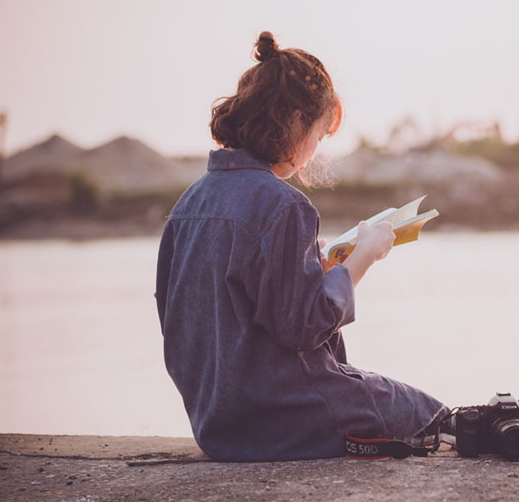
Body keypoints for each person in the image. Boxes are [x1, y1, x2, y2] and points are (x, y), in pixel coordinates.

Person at [154, 31, 446, 462]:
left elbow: (181, 313)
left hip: (215, 423)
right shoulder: (284, 204)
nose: (313, 151)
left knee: (391, 399)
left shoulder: (188, 204)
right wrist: (364, 256)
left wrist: (315, 268)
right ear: (293, 120)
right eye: (318, 134)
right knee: (425, 414)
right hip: (277, 418)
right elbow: (305, 325)